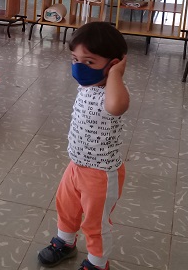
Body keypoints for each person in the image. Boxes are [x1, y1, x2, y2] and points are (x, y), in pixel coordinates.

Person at [38, 22, 129, 270]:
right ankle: (65, 243)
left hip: (100, 174)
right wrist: (94, 66)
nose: (79, 67)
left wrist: (116, 75)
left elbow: (116, 107)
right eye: (75, 59)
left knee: (95, 222)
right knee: (66, 206)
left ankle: (98, 263)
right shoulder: (88, 84)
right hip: (76, 165)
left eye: (89, 62)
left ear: (113, 63)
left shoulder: (113, 91)